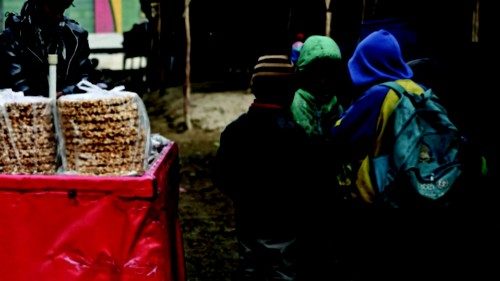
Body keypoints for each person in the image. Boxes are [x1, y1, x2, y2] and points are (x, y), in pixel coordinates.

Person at [214, 55, 303, 281]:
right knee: (282, 270)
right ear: (290, 91)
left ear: (253, 88)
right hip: (285, 221)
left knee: (250, 267)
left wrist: (243, 197)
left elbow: (221, 176)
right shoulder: (296, 135)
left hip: (248, 216)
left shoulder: (234, 131)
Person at [0, 0, 93, 96]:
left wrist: (65, 93)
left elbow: (86, 78)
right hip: (25, 107)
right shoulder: (13, 35)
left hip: (66, 107)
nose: (57, 14)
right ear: (38, 4)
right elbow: (15, 83)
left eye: (62, 8)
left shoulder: (76, 36)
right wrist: (43, 101)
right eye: (53, 7)